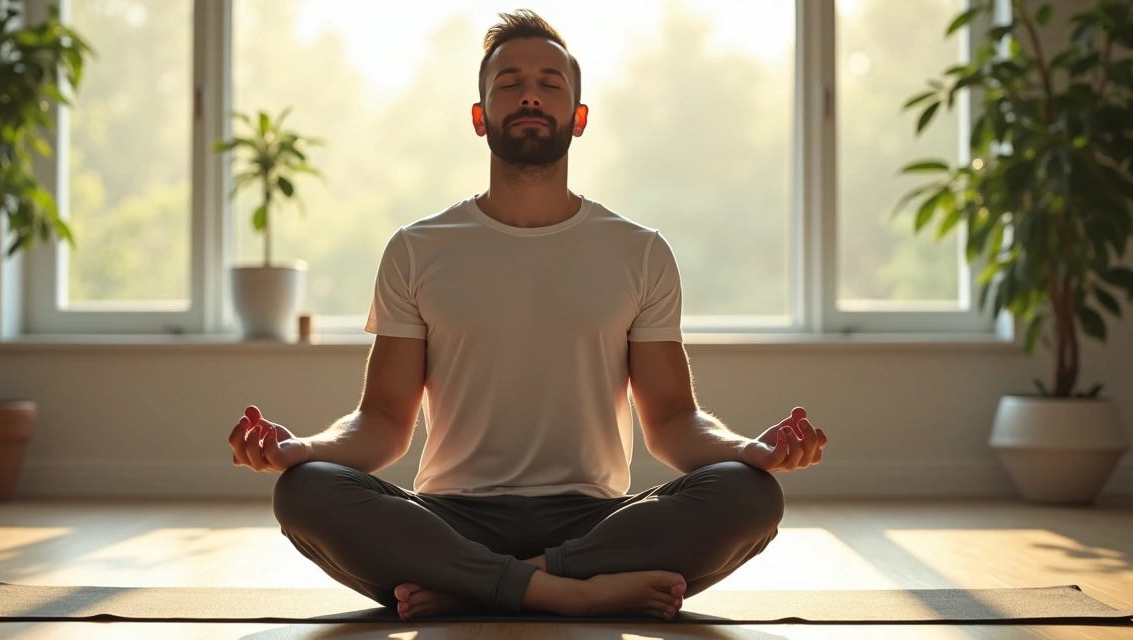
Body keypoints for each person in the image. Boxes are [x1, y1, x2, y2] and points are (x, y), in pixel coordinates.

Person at [227, 9, 827, 622]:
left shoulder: (639, 251)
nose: (531, 93)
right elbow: (383, 421)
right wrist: (303, 448)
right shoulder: (417, 248)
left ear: (579, 117)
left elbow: (672, 420)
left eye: (550, 82)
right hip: (451, 518)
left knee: (748, 495)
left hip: (595, 519)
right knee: (305, 491)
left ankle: (490, 586)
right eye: (509, 82)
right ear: (480, 117)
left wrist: (746, 448)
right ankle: (568, 591)